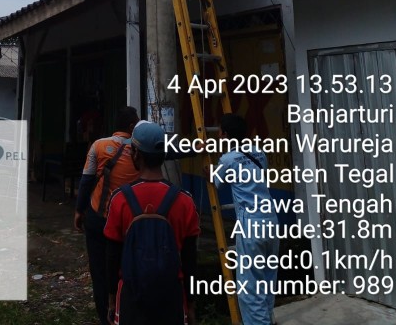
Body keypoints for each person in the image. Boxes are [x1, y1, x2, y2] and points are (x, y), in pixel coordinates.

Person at [104, 120, 199, 325]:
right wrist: (190, 304)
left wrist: (112, 299)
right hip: (171, 298)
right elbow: (190, 260)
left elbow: (112, 257)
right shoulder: (185, 201)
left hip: (131, 298)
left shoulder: (119, 199)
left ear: (136, 154)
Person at [74, 106, 140, 325]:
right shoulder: (141, 149)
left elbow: (86, 181)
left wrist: (79, 210)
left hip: (99, 218)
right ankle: (125, 313)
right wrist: (197, 148)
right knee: (126, 269)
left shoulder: (98, 146)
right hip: (128, 222)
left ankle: (106, 317)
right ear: (132, 126)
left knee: (99, 271)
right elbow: (169, 151)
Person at [214, 114, 279, 325]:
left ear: (225, 135)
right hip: (271, 219)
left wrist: (210, 169)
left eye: (220, 133)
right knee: (268, 277)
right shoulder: (259, 153)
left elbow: (216, 182)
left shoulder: (228, 160)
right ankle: (267, 318)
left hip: (251, 223)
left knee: (250, 286)